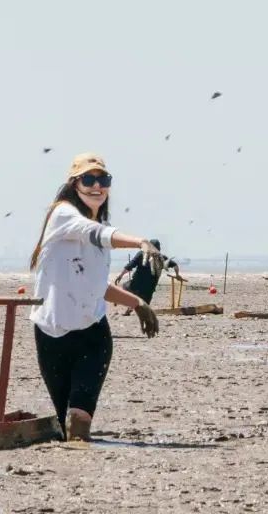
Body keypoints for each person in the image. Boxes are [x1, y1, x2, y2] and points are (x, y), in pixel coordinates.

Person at [29, 152, 164, 442]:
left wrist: (138, 303)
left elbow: (95, 284)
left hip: (93, 335)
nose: (97, 186)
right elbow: (97, 233)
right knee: (64, 418)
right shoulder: (63, 214)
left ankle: (81, 455)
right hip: (51, 333)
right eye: (88, 179)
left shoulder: (96, 232)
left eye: (103, 179)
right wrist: (141, 242)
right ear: (74, 184)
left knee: (79, 422)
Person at [113, 238, 181, 313]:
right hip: (149, 288)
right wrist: (177, 275)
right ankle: (130, 308)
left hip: (136, 284)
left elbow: (129, 266)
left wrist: (120, 275)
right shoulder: (162, 258)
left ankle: (120, 301)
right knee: (143, 305)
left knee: (125, 289)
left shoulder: (141, 254)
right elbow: (175, 265)